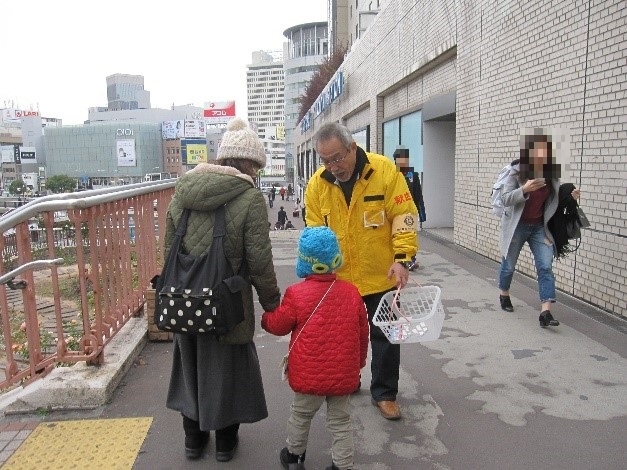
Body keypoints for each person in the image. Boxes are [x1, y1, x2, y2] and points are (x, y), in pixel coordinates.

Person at [164, 117, 281, 462]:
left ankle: (192, 440)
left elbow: (169, 249)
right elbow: (259, 260)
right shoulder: (249, 198)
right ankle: (226, 444)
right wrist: (272, 301)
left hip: (184, 300)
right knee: (228, 369)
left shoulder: (182, 192)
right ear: (248, 163)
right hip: (227, 302)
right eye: (256, 166)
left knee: (190, 364)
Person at [305, 122, 418, 420]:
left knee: (385, 334)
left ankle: (385, 393)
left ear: (353, 147)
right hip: (339, 279)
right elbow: (314, 230)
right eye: (326, 160)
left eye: (338, 158)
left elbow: (404, 217)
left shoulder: (383, 172)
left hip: (380, 273)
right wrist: (318, 272)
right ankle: (348, 380)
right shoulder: (318, 184)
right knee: (342, 336)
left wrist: (402, 259)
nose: (333, 166)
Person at [261, 226, 369, 470]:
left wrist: (265, 319)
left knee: (301, 415)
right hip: (343, 374)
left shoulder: (296, 294)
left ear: (304, 261)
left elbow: (279, 325)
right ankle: (342, 465)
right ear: (335, 259)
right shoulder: (352, 293)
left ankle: (294, 457)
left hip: (308, 375)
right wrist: (359, 362)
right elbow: (363, 333)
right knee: (341, 420)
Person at [498, 131, 580, 328]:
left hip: (538, 228)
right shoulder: (515, 172)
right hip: (517, 227)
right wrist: (524, 190)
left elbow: (555, 201)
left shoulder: (551, 176)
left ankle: (546, 312)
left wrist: (571, 197)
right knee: (509, 265)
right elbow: (505, 199)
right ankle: (504, 293)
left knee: (545, 266)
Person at [393, 147, 426, 271]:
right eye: (400, 159)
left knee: (410, 235)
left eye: (405, 159)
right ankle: (400, 259)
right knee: (398, 235)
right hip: (397, 211)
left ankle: (411, 260)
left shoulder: (413, 174)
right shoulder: (393, 175)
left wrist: (421, 211)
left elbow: (418, 194)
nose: (403, 162)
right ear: (395, 161)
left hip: (410, 211)